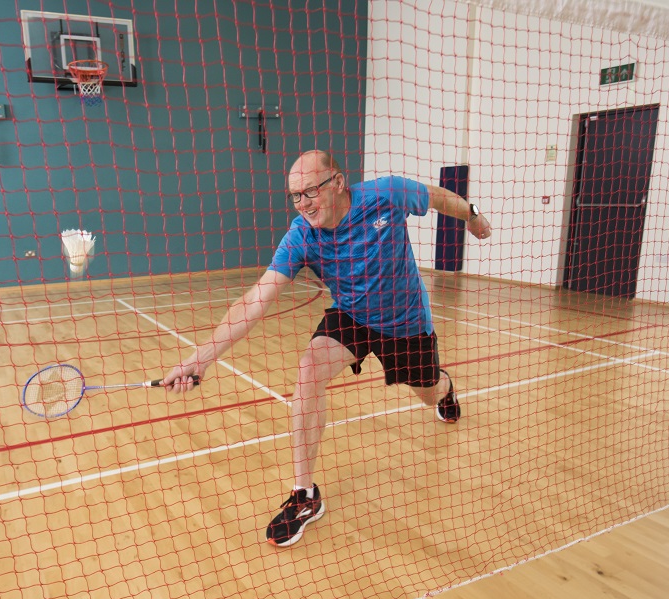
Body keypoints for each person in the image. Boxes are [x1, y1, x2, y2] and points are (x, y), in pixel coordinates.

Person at [163, 150, 492, 547]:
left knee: (427, 392)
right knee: (309, 368)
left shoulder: (386, 194)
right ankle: (305, 495)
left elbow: (438, 197)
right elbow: (256, 299)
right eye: (295, 196)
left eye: (310, 191)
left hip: (406, 323)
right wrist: (199, 361)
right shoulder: (301, 236)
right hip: (352, 316)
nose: (303, 204)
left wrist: (471, 215)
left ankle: (443, 388)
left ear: (337, 182)